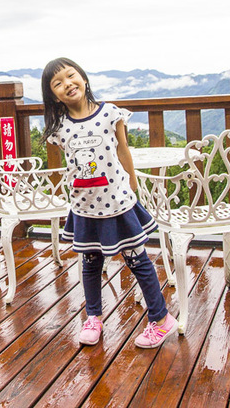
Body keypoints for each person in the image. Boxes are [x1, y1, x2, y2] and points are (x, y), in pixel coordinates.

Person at [41, 57, 177, 348]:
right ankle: (93, 317)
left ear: (84, 78)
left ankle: (161, 319)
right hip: (83, 207)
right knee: (90, 263)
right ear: (54, 96)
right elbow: (71, 165)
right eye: (58, 83)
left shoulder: (110, 114)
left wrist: (132, 184)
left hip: (117, 204)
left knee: (137, 260)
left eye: (71, 76)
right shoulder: (59, 128)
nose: (68, 84)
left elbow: (124, 151)